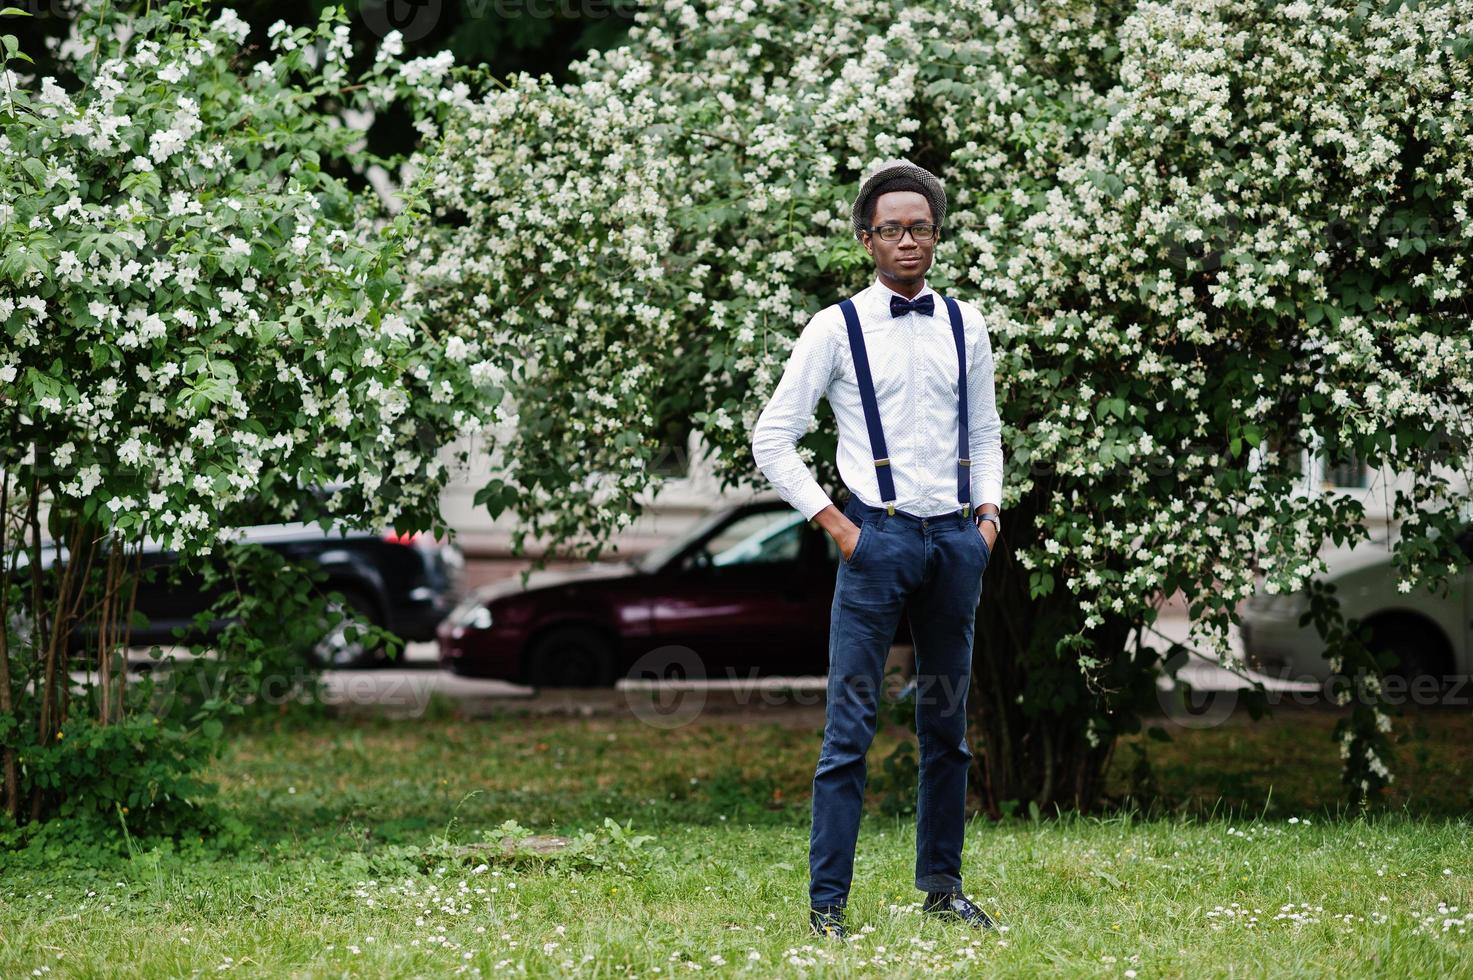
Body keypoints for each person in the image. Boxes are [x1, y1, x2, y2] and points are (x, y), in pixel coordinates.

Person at [750, 159, 1004, 939]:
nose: (906, 241)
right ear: (866, 239)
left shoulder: (967, 323)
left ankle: (941, 888)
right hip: (877, 537)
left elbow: (986, 431)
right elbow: (772, 437)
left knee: (946, 727)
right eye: (890, 229)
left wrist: (988, 518)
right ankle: (826, 907)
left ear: (935, 235)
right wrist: (840, 527)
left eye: (919, 227)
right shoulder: (835, 327)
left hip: (956, 538)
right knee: (849, 726)